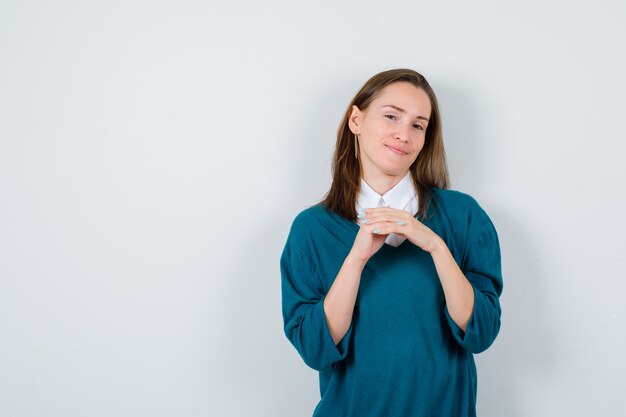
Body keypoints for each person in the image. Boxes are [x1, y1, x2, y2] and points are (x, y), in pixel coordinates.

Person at [280, 68, 503, 417]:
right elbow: (315, 349)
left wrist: (435, 247)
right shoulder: (311, 229)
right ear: (356, 119)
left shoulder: (463, 217)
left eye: (418, 125)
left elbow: (481, 333)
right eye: (391, 117)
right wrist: (355, 259)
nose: (404, 134)